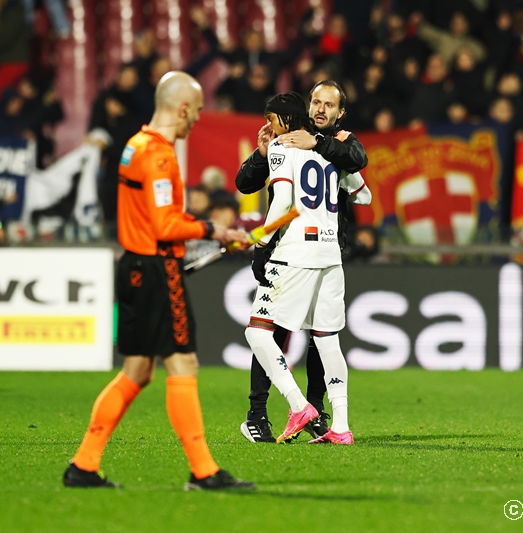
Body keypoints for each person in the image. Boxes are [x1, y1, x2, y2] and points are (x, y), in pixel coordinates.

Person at [62, 71, 254, 490]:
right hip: (156, 270)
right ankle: (204, 472)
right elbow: (166, 226)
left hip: (132, 265)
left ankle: (84, 464)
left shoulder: (135, 146)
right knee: (182, 362)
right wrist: (213, 231)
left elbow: (156, 217)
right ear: (182, 108)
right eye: (198, 110)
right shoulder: (161, 157)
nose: (199, 119)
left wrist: (219, 232)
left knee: (137, 370)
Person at [234, 80, 368, 443]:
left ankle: (298, 406)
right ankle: (339, 426)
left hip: (294, 250)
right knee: (325, 339)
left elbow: (281, 205)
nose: (321, 108)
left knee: (259, 332)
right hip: (329, 253)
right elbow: (364, 193)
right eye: (315, 102)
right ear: (306, 108)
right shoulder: (324, 149)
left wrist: (258, 243)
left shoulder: (291, 145)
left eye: (328, 104)